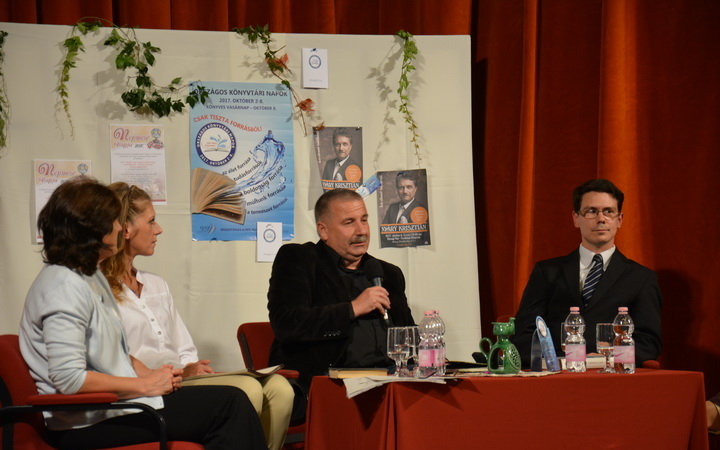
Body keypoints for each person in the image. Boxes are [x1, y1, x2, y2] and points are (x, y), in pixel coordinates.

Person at [19, 176, 265, 450]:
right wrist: (145, 386)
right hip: (85, 424)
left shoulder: (88, 275)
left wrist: (150, 375)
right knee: (230, 405)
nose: (119, 227)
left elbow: (112, 350)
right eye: (114, 220)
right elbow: (69, 379)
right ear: (93, 229)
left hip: (115, 407)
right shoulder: (62, 285)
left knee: (231, 400)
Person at [100, 182, 293, 450]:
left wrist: (190, 367)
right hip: (146, 388)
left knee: (280, 389)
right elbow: (111, 359)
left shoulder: (156, 284)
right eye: (152, 221)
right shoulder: (97, 289)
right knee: (247, 390)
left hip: (182, 380)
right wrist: (165, 375)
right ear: (127, 229)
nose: (159, 229)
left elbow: (184, 350)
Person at [267, 188, 415, 394]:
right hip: (329, 380)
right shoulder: (300, 259)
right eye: (349, 222)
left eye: (364, 220)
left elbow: (408, 334)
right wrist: (352, 309)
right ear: (323, 230)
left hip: (392, 378)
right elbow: (287, 324)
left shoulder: (387, 273)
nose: (361, 231)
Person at [510, 179, 663, 368]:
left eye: (608, 211)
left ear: (619, 220)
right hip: (556, 372)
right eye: (591, 211)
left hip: (611, 375)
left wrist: (603, 359)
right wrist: (565, 360)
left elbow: (648, 342)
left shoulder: (641, 278)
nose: (601, 219)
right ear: (576, 218)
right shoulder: (547, 272)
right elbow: (524, 335)